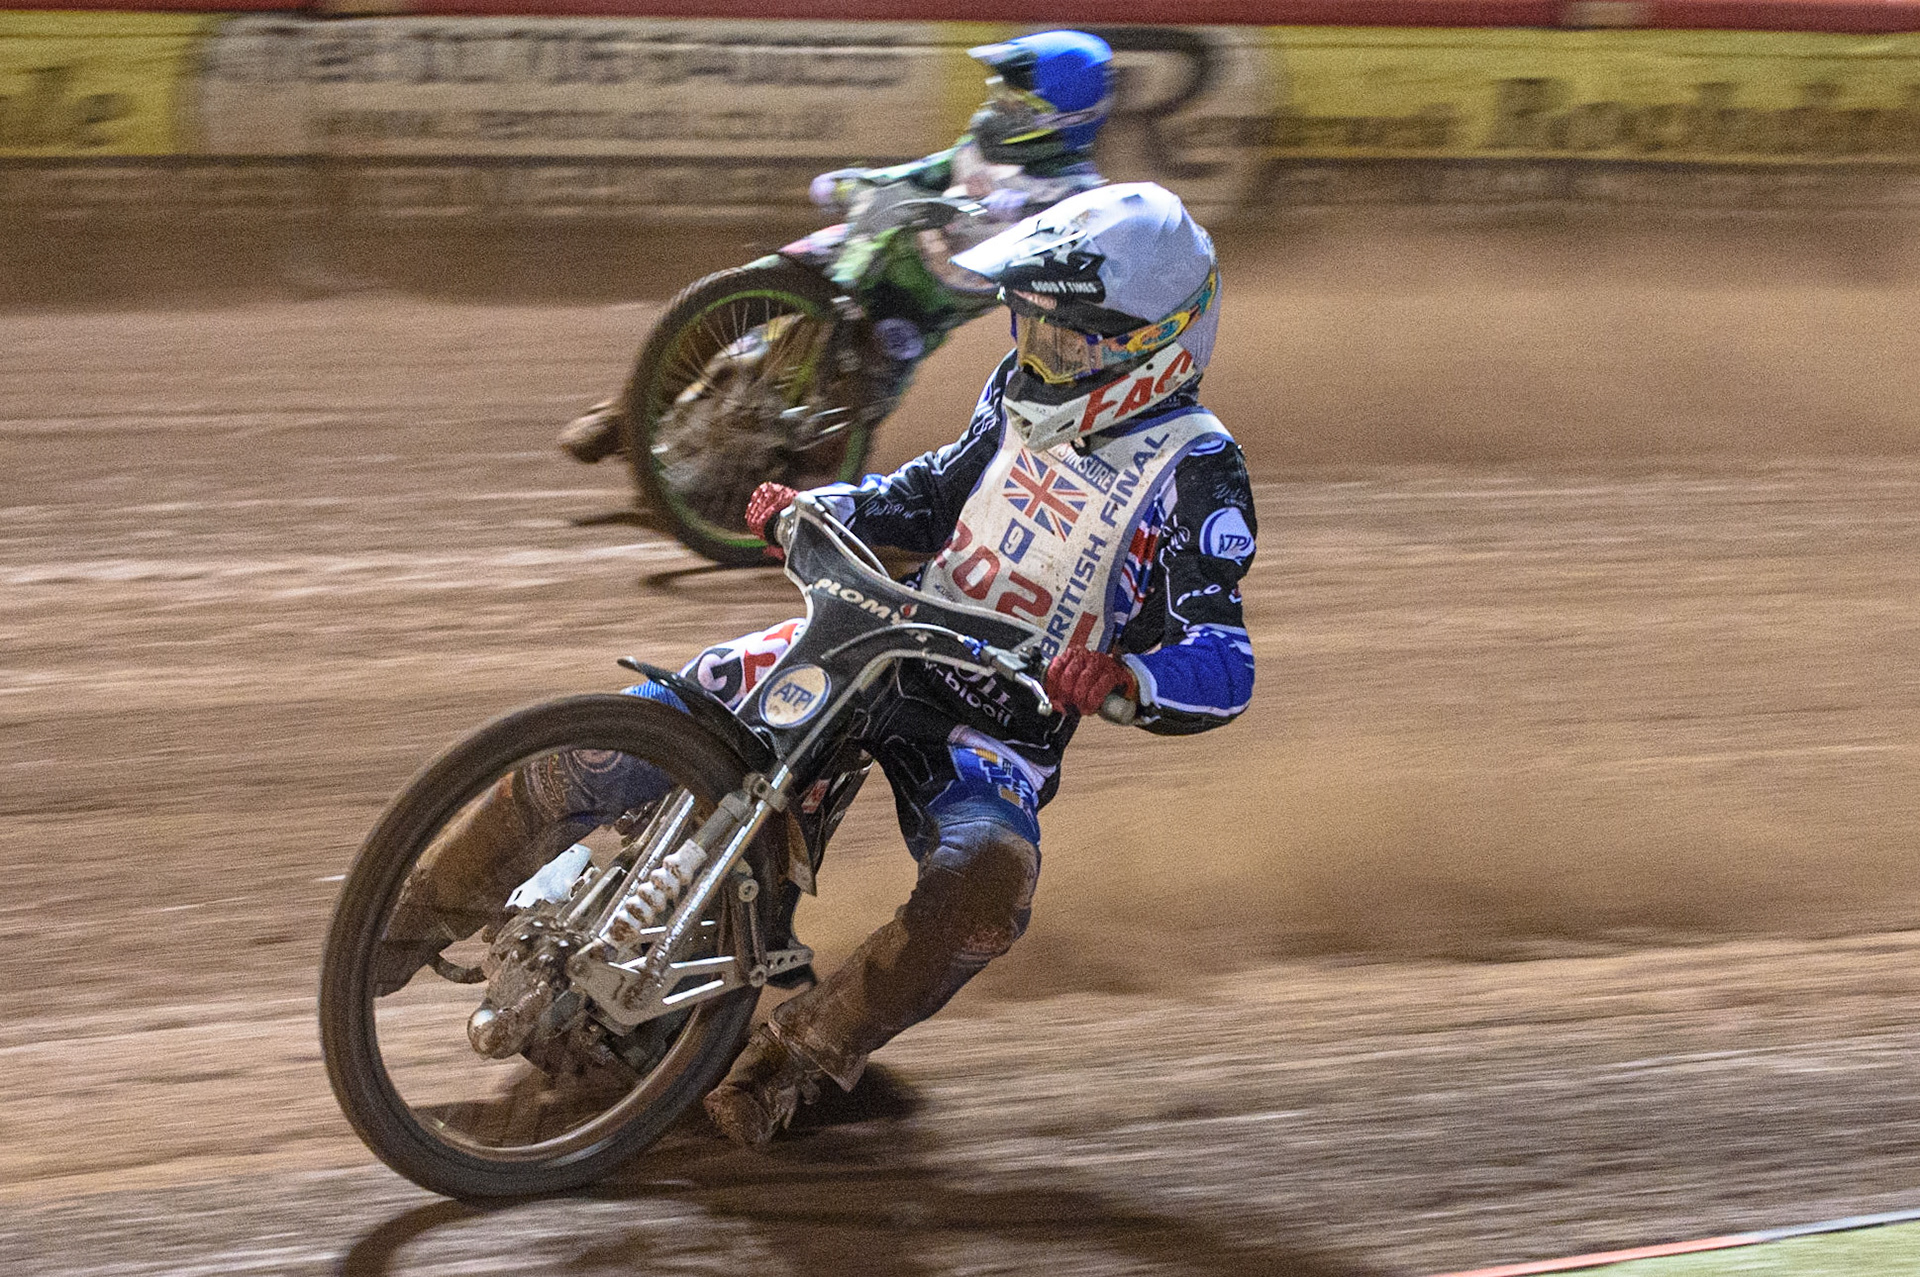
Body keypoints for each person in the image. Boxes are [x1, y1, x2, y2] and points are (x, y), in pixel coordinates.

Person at [381, 182, 1257, 1151]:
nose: (1041, 356)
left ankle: (796, 1057)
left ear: (1155, 345)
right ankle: (413, 911)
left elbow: (1223, 654)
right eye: (1035, 327)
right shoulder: (1017, 392)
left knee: (987, 885)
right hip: (874, 637)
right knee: (626, 736)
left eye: (1069, 341)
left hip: (994, 722)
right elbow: (928, 495)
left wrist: (1130, 680)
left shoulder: (1197, 471)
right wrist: (819, 505)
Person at [555, 29, 1114, 466]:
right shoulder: (984, 141)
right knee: (741, 295)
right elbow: (926, 171)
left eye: (1016, 99)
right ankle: (623, 415)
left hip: (919, 306)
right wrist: (861, 180)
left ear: (1061, 117)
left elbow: (1060, 267)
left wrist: (1021, 223)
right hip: (871, 243)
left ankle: (776, 502)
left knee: (844, 419)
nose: (999, 104)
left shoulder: (1075, 195)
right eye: (1001, 91)